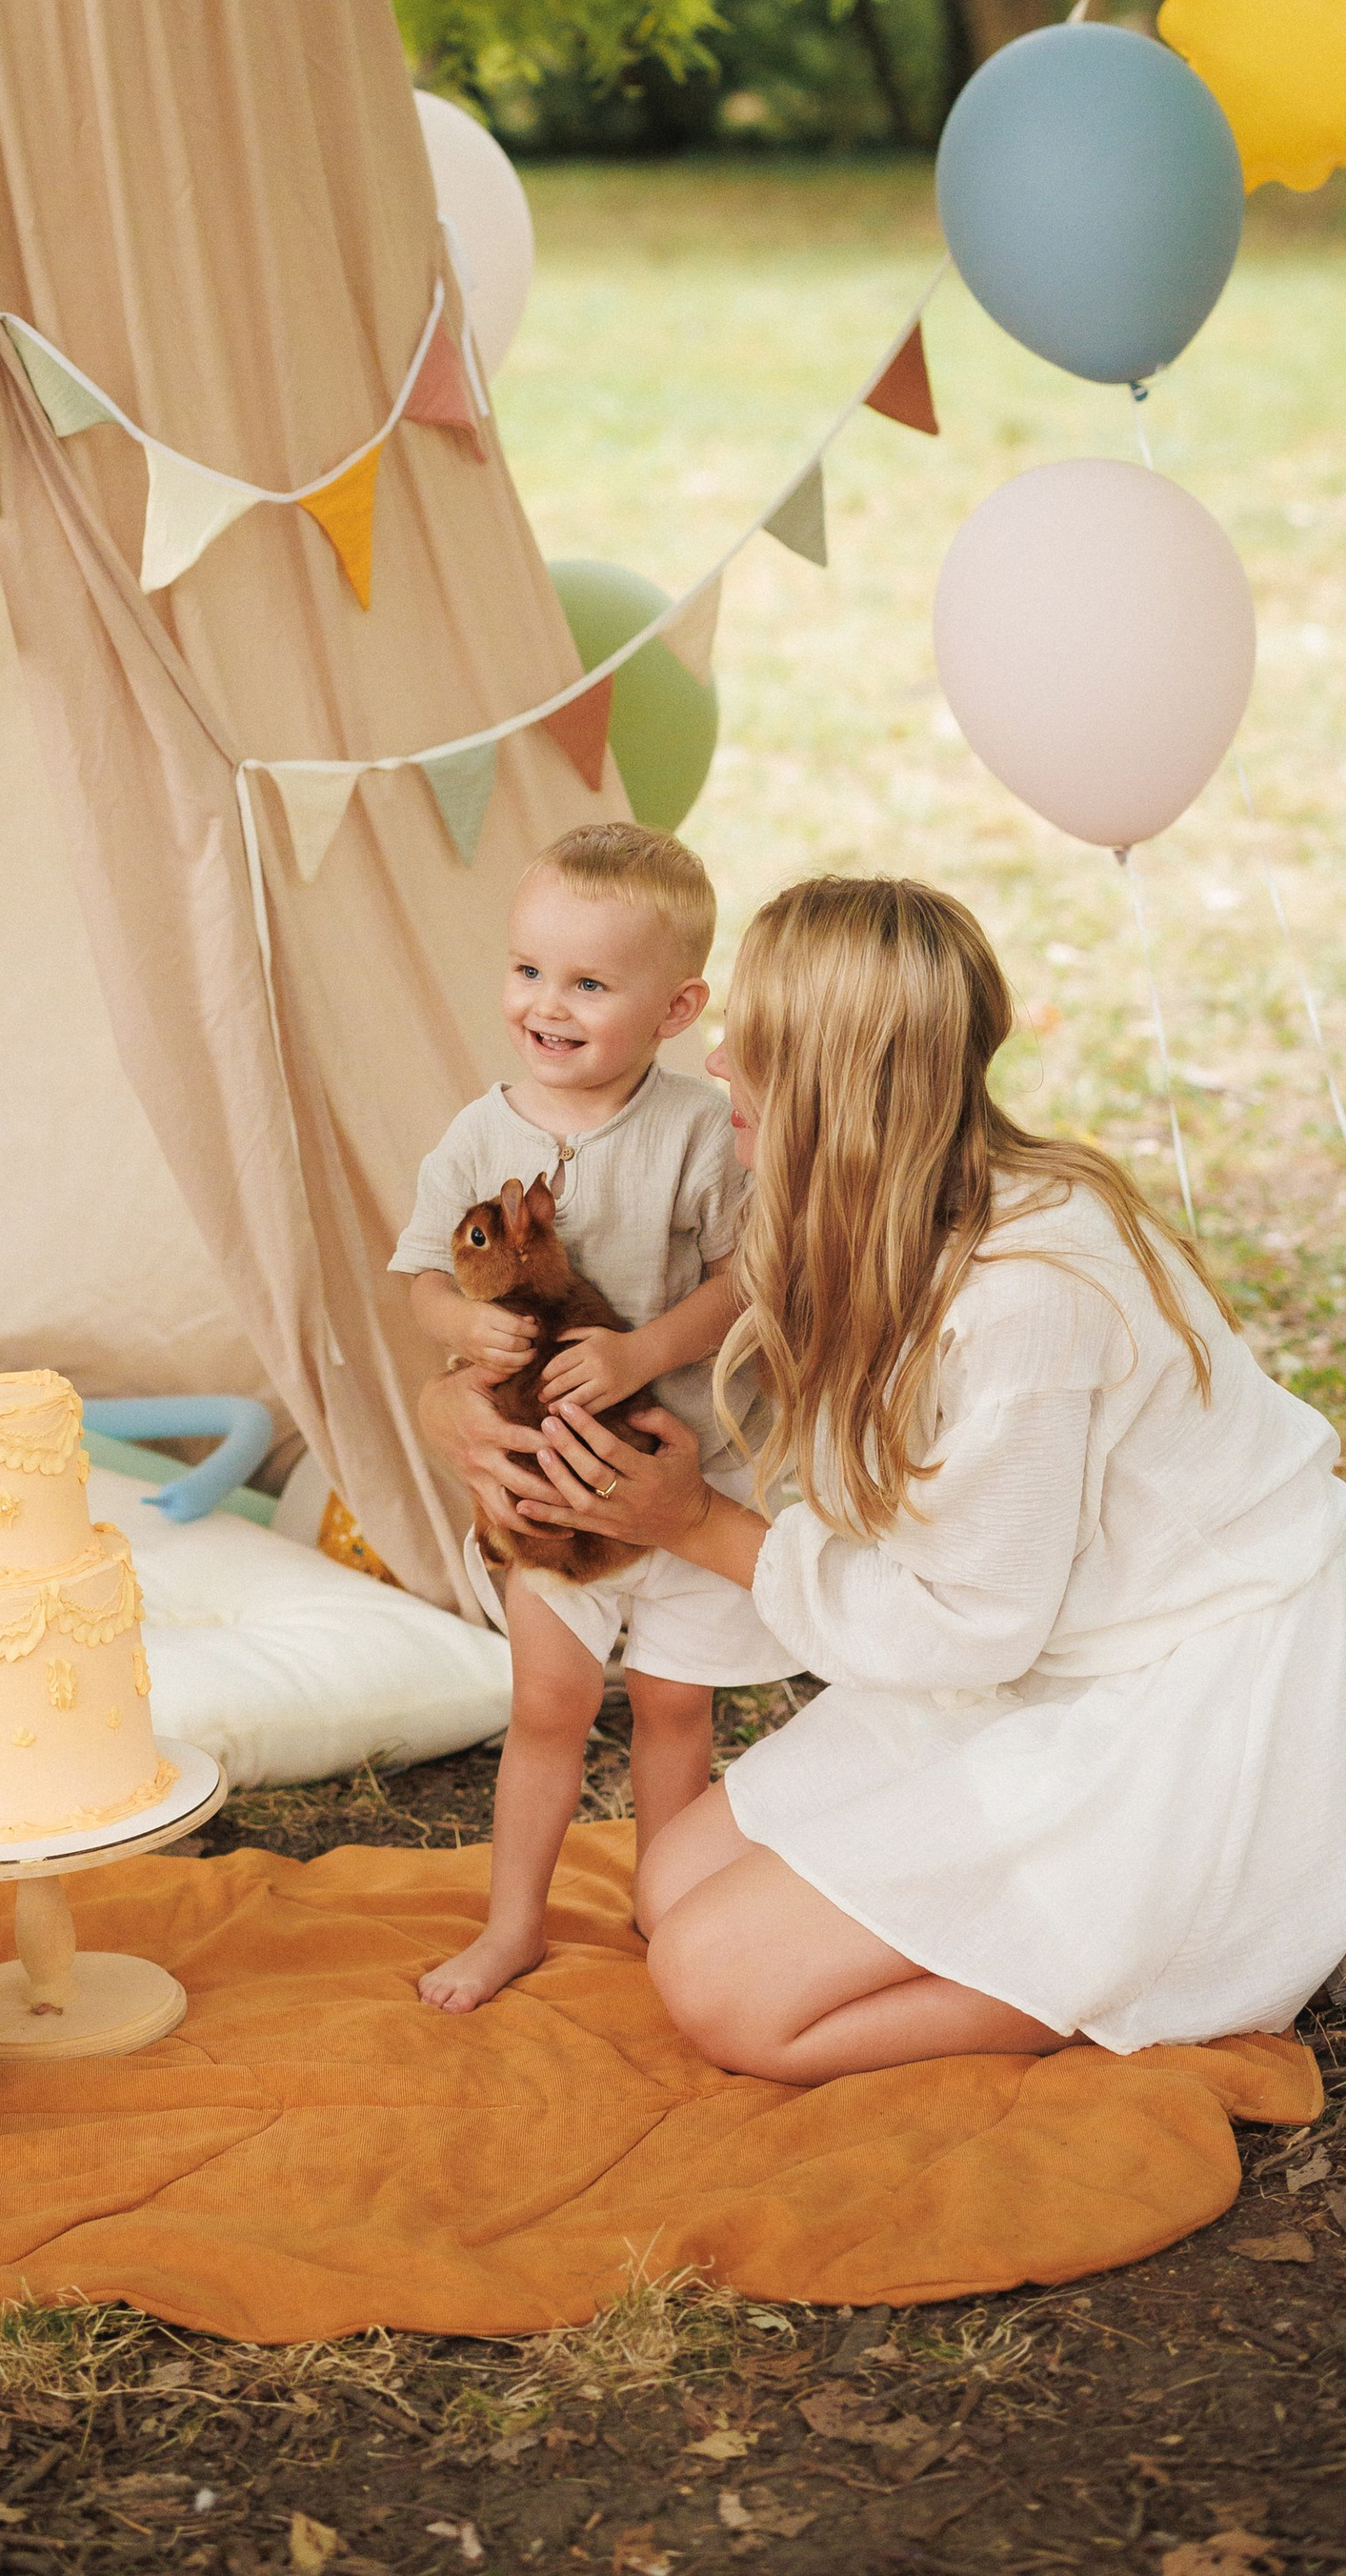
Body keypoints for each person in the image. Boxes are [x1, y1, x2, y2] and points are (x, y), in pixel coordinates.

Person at [417, 873, 1346, 2082]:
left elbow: (971, 1625)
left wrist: (691, 1525)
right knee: (670, 1879)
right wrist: (456, 1406)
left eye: (759, 1044)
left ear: (841, 1080)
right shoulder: (856, 1216)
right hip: (1034, 1647)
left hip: (1185, 1686)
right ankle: (1090, 1927)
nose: (719, 1061)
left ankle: (1186, 1957)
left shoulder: (1032, 1288)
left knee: (720, 1990)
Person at [394, 823, 792, 2014]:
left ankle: (662, 1904)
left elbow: (746, 1280)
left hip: (682, 1484)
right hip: (549, 1499)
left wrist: (644, 1350)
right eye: (527, 970)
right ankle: (514, 1920)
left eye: (586, 983)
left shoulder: (690, 1130)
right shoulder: (480, 1131)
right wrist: (461, 1334)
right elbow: (422, 1274)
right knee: (545, 1706)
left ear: (675, 1010)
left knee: (674, 1709)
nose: (545, 1004)